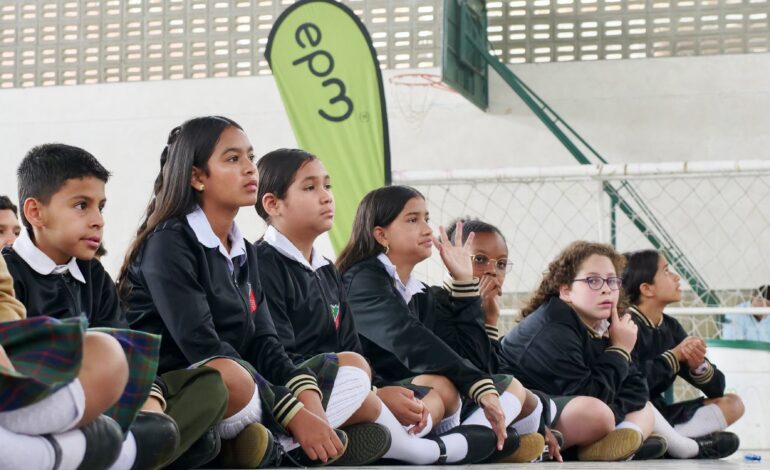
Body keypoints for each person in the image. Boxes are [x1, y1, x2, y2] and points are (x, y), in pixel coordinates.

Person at [118, 116, 381, 468]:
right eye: (232, 159)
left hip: (248, 382)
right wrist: (293, 412)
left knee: (352, 366)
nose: (249, 169)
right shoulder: (170, 243)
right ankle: (280, 444)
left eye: (250, 157)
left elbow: (264, 341)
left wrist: (307, 401)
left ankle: (270, 445)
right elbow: (202, 348)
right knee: (230, 376)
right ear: (197, 177)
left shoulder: (245, 252)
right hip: (188, 389)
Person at [255, 149, 498, 465]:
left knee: (433, 386)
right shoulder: (261, 264)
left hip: (340, 386)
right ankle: (423, 451)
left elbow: (352, 349)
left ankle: (355, 440)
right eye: (310, 187)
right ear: (273, 204)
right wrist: (371, 394)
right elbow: (274, 354)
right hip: (290, 394)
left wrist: (376, 390)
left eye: (327, 186)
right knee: (358, 370)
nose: (326, 197)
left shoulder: (327, 270)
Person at [3, 143, 180, 470]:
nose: (98, 220)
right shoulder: (10, 272)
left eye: (101, 207)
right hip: (34, 398)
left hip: (98, 400)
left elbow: (124, 346)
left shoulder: (92, 273)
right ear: (35, 212)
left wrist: (145, 397)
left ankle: (87, 448)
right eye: (82, 205)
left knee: (179, 412)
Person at [338, 185, 544, 464]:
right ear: (381, 234)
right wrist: (477, 384)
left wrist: (465, 286)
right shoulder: (362, 279)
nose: (427, 229)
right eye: (413, 220)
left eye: (426, 218)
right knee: (444, 385)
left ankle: (460, 444)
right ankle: (438, 448)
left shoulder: (418, 292)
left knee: (510, 388)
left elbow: (472, 361)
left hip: (416, 398)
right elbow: (409, 340)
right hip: (371, 398)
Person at [498, 240, 659, 461]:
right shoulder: (555, 326)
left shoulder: (602, 324)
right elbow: (591, 396)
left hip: (568, 411)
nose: (606, 288)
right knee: (597, 414)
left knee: (644, 408)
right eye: (592, 280)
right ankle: (606, 443)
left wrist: (618, 349)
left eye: (612, 281)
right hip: (522, 414)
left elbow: (638, 390)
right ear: (566, 291)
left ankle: (613, 443)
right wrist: (620, 350)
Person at [623, 249, 743, 459]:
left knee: (733, 404)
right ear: (646, 288)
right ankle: (680, 445)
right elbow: (631, 385)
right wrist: (674, 357)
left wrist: (699, 366)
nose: (677, 277)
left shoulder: (671, 327)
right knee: (643, 408)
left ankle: (664, 443)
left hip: (661, 416)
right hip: (629, 414)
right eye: (667, 271)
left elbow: (717, 389)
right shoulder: (625, 323)